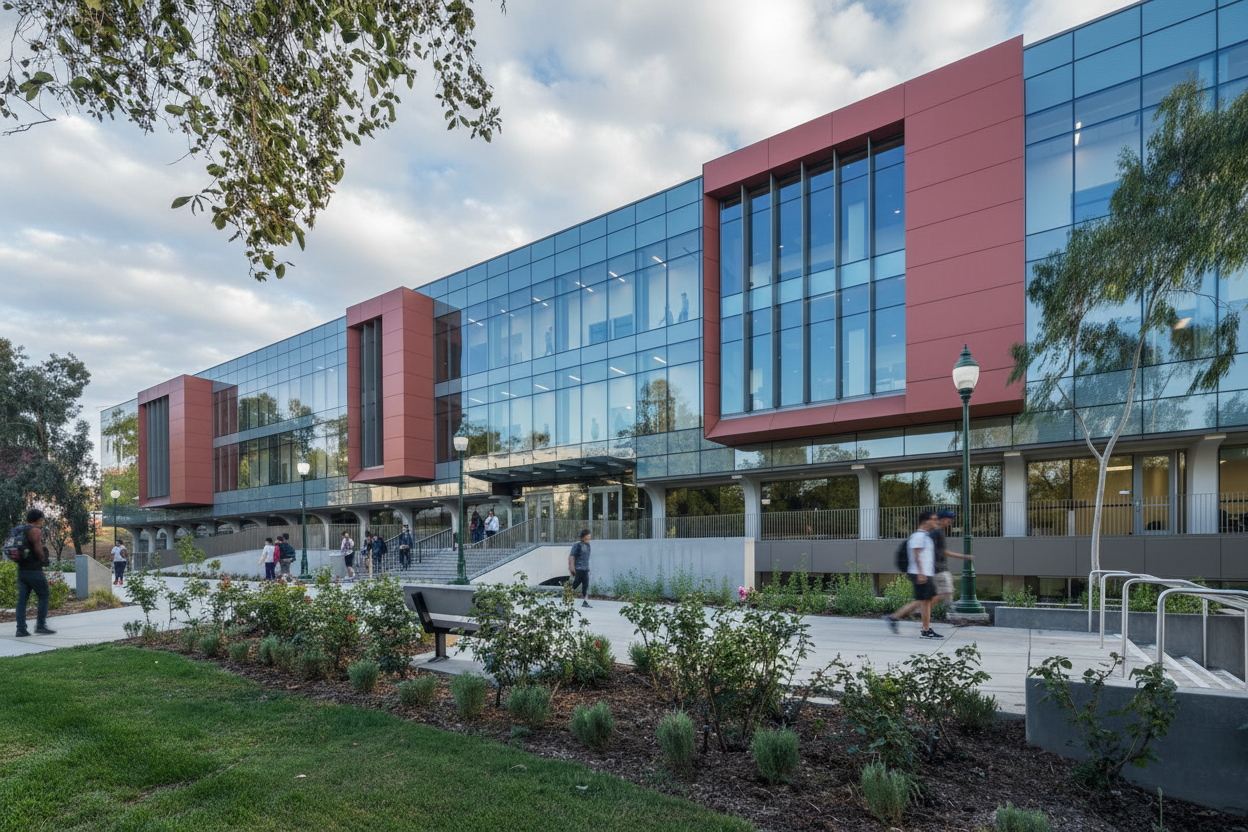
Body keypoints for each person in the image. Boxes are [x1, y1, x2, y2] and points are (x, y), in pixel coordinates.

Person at [882, 511, 941, 638]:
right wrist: (920, 573)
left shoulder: (926, 536)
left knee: (926, 600)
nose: (936, 522)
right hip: (919, 573)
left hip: (925, 573)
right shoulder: (918, 536)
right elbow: (916, 555)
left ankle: (924, 628)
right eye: (933, 519)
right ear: (925, 521)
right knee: (923, 600)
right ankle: (895, 617)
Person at [12, 508, 56, 637]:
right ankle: (40, 625)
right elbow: (38, 548)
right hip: (34, 570)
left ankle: (21, 629)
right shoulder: (35, 530)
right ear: (39, 519)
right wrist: (43, 560)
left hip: (22, 570)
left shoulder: (18, 530)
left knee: (22, 600)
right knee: (44, 596)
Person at [932, 509, 976, 624]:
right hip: (939, 569)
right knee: (947, 593)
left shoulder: (935, 532)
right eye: (949, 520)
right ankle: (920, 608)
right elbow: (943, 551)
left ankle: (921, 608)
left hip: (938, 568)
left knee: (946, 594)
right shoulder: (938, 533)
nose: (951, 523)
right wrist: (964, 556)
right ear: (942, 519)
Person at [568, 529, 592, 608]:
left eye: (589, 536)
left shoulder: (588, 546)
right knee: (574, 585)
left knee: (585, 585)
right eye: (588, 536)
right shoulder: (577, 545)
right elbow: (572, 557)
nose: (589, 538)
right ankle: (566, 598)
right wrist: (572, 568)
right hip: (578, 569)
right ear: (584, 537)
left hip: (585, 569)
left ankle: (585, 601)